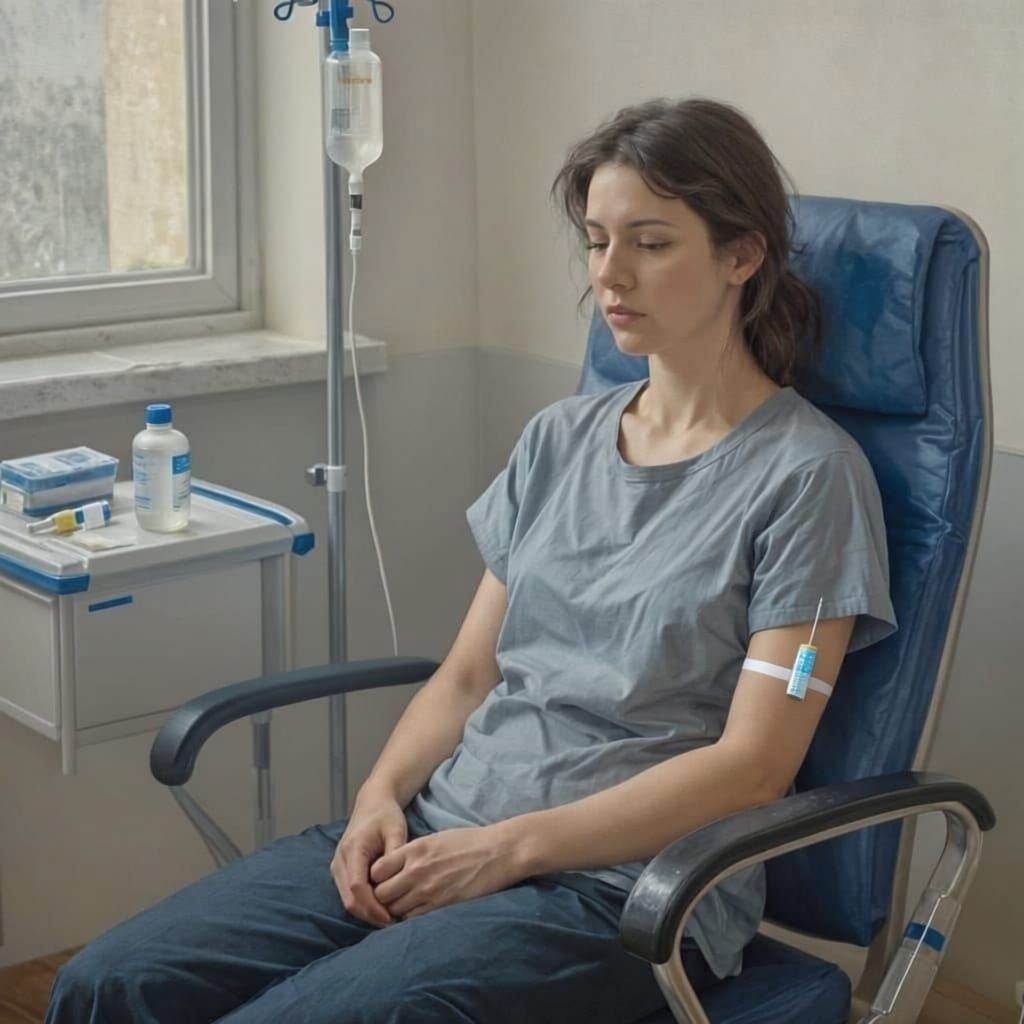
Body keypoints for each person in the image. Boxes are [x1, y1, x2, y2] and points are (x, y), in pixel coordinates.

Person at [46, 96, 897, 1023]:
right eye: (596, 240)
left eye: (651, 243)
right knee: (105, 986)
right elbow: (463, 677)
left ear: (741, 256)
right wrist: (379, 797)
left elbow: (751, 768)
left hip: (620, 894)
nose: (611, 275)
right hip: (437, 832)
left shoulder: (810, 479)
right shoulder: (558, 440)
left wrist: (512, 850)